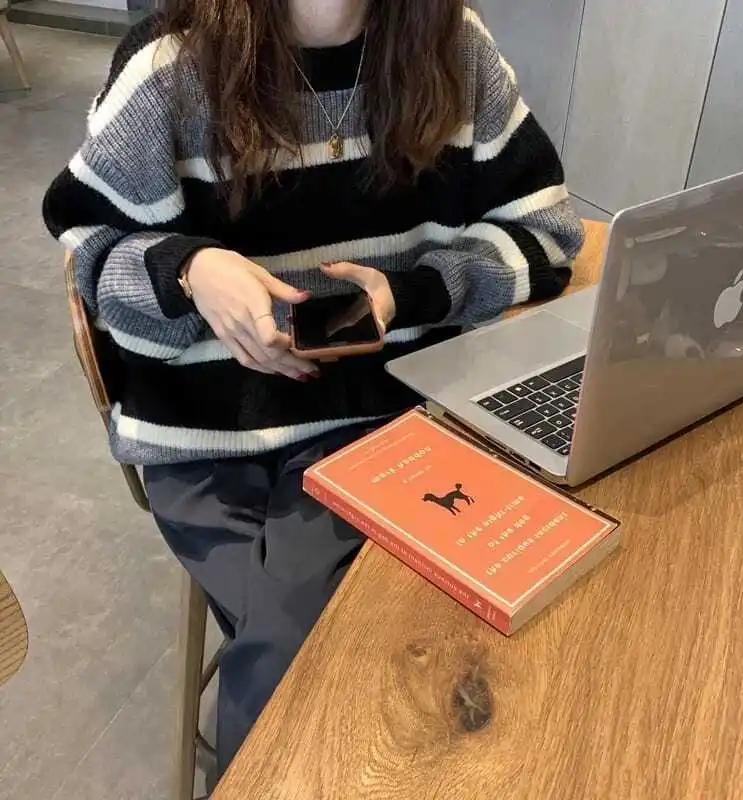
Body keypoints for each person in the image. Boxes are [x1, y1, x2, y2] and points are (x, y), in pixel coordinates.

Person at [43, 0, 585, 774]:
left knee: (433, 643)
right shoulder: (172, 67)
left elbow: (545, 234)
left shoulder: (451, 45)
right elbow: (95, 259)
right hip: (211, 435)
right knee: (325, 654)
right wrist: (190, 271)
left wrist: (416, 294)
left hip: (396, 421)